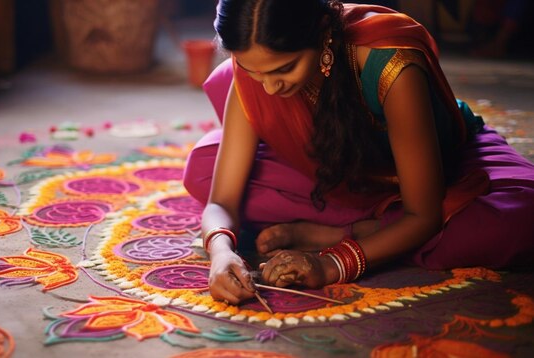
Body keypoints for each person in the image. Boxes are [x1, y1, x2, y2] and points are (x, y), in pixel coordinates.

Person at [183, 0, 534, 305]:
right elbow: (221, 201)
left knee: (519, 221)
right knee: (203, 166)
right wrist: (220, 252)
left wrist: (332, 263)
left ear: (323, 34)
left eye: (284, 69)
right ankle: (377, 230)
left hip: (435, 168)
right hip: (337, 174)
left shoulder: (392, 65)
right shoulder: (256, 72)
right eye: (252, 71)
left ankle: (337, 230)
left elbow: (423, 214)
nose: (270, 87)